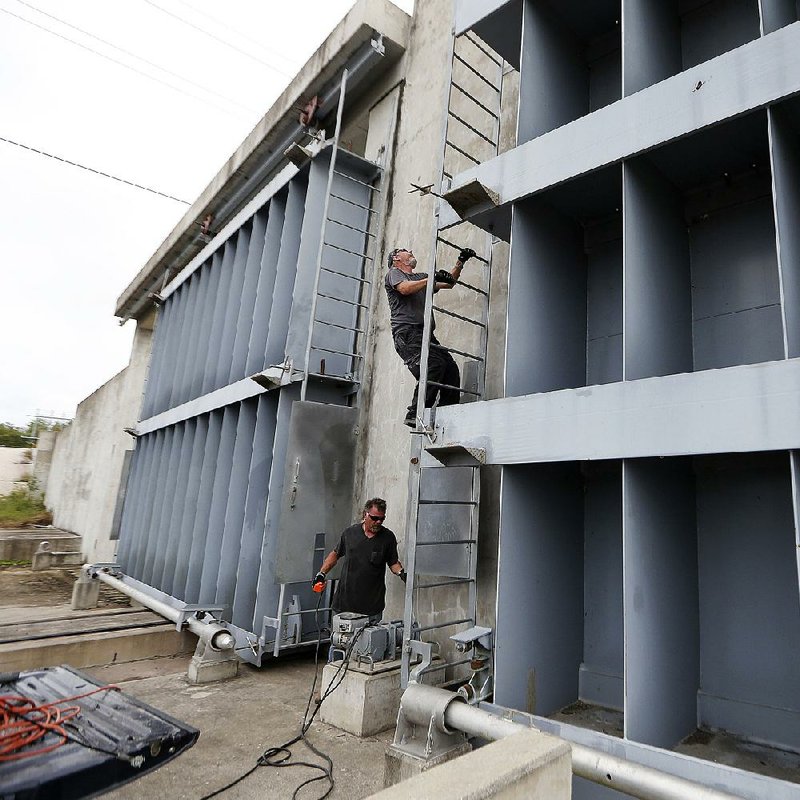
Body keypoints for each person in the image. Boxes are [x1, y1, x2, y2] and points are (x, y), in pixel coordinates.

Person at [385, 246, 476, 426]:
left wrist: (460, 262)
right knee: (433, 365)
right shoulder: (394, 273)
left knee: (450, 370)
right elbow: (404, 289)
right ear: (396, 258)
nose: (410, 250)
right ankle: (415, 412)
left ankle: (446, 414)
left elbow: (449, 283)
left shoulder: (420, 278)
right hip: (407, 333)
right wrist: (430, 279)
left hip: (425, 334)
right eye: (405, 250)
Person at [313, 498, 406, 625]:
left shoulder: (388, 538)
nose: (378, 522)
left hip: (371, 608)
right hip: (345, 605)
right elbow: (335, 554)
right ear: (365, 515)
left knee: (369, 643)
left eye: (381, 519)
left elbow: (393, 563)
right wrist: (321, 574)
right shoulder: (350, 533)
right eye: (374, 518)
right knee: (341, 643)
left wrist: (402, 573)